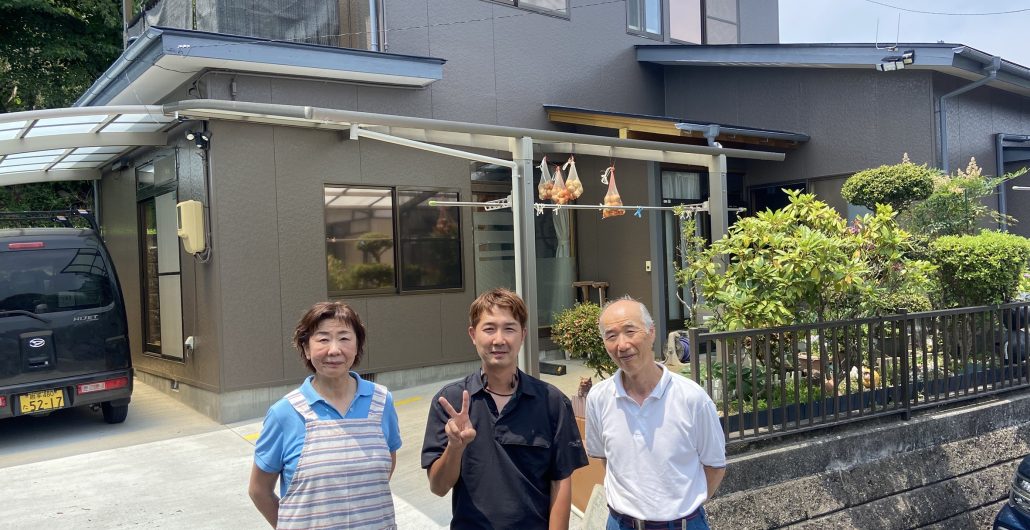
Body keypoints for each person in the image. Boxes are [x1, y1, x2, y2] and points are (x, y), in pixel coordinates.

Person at [421, 288, 589, 529]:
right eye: (489, 329)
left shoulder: (552, 402)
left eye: (509, 329)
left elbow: (560, 482)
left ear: (523, 335)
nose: (499, 340)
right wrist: (455, 447)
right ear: (473, 335)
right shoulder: (450, 401)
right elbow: (438, 487)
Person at [249, 301, 401, 529]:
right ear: (306, 348)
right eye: (323, 339)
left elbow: (384, 469)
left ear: (357, 346)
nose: (334, 350)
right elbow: (259, 490)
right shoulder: (284, 413)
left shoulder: (382, 401)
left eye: (344, 338)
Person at [586, 297, 726, 530]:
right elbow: (605, 459)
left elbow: (715, 466)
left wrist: (679, 511)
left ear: (651, 332)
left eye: (630, 331)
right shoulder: (598, 398)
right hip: (621, 524)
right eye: (611, 336)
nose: (622, 344)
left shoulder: (692, 398)